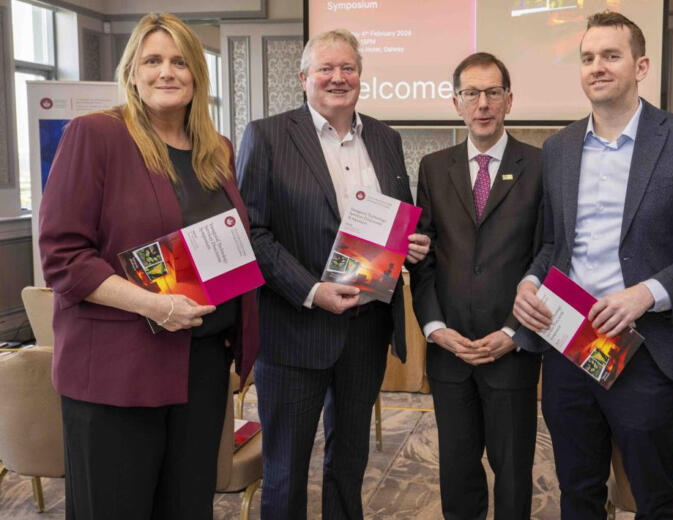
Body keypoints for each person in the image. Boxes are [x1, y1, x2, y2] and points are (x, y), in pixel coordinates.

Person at [38, 12, 258, 519]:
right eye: (153, 60)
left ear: (197, 76)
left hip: (200, 369)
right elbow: (62, 258)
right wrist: (153, 305)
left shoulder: (216, 150)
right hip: (118, 371)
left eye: (180, 61)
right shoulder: (95, 136)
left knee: (187, 508)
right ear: (132, 72)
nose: (167, 72)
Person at [512, 10, 673, 519]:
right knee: (578, 489)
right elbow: (551, 244)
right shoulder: (559, 148)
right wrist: (529, 281)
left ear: (641, 65)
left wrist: (644, 293)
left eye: (611, 55)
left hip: (647, 349)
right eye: (588, 58)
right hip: (569, 345)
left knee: (653, 494)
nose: (597, 67)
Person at [236, 29, 430, 520]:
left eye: (348, 68)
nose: (337, 78)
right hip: (293, 331)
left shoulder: (386, 139)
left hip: (365, 330)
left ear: (361, 77)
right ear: (304, 78)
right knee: (285, 471)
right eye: (326, 68)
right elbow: (252, 234)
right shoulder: (268, 136)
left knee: (349, 463)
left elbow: (397, 217)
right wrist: (311, 290)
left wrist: (411, 243)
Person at [410, 52, 543, 520]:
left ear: (509, 100)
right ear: (456, 101)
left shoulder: (540, 166)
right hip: (451, 352)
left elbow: (547, 254)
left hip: (511, 351)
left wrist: (513, 332)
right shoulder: (432, 167)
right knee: (457, 475)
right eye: (471, 93)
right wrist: (433, 326)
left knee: (514, 477)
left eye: (492, 93)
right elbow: (421, 258)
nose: (482, 103)